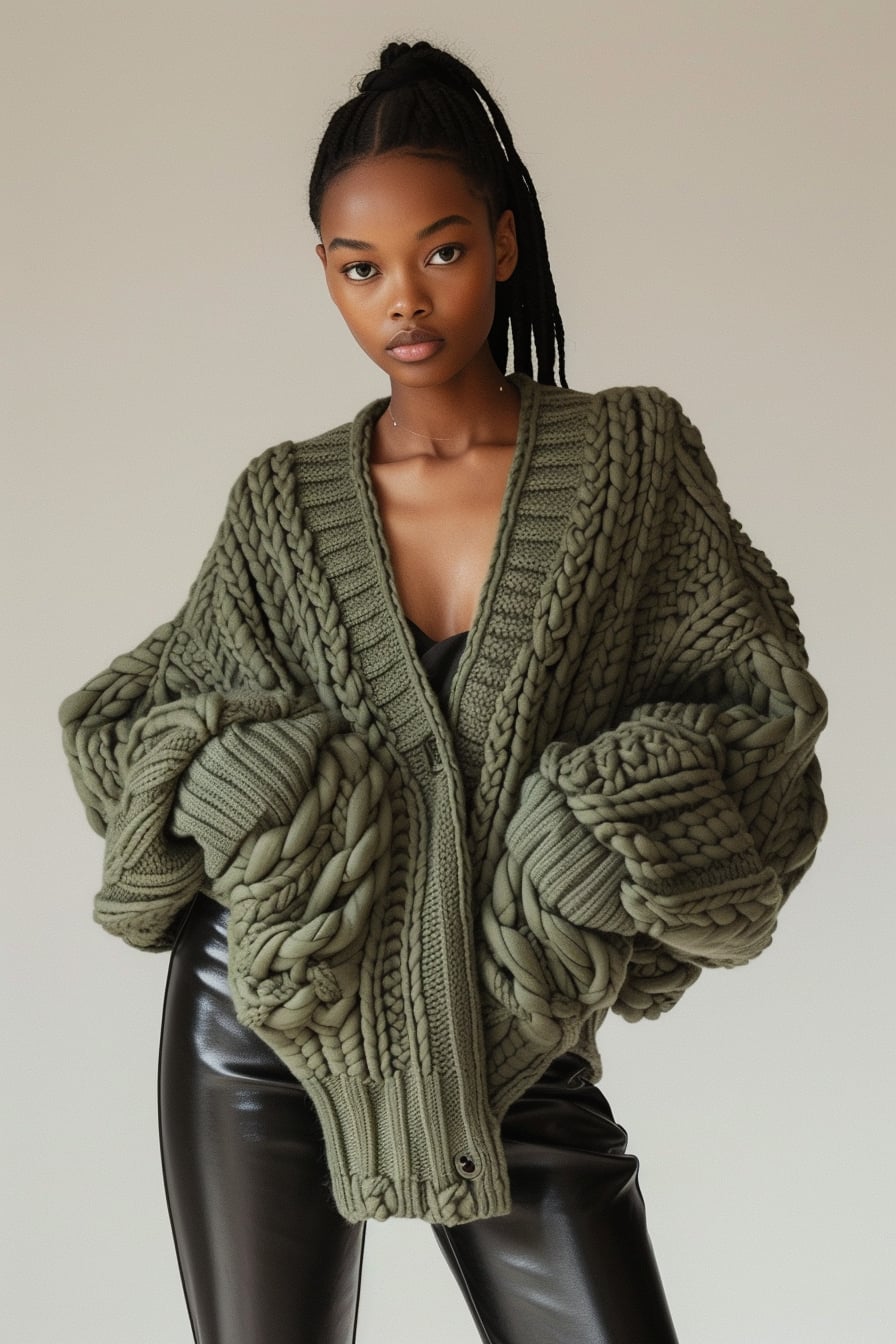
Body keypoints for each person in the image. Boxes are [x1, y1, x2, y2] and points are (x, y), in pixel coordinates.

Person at [59, 38, 828, 1344]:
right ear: (327, 276)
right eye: (360, 269)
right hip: (267, 1015)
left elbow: (767, 722)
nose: (402, 299)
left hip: (514, 1034)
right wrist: (253, 783)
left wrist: (593, 832)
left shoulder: (627, 462)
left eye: (441, 251)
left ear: (504, 243)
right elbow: (126, 723)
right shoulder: (283, 502)